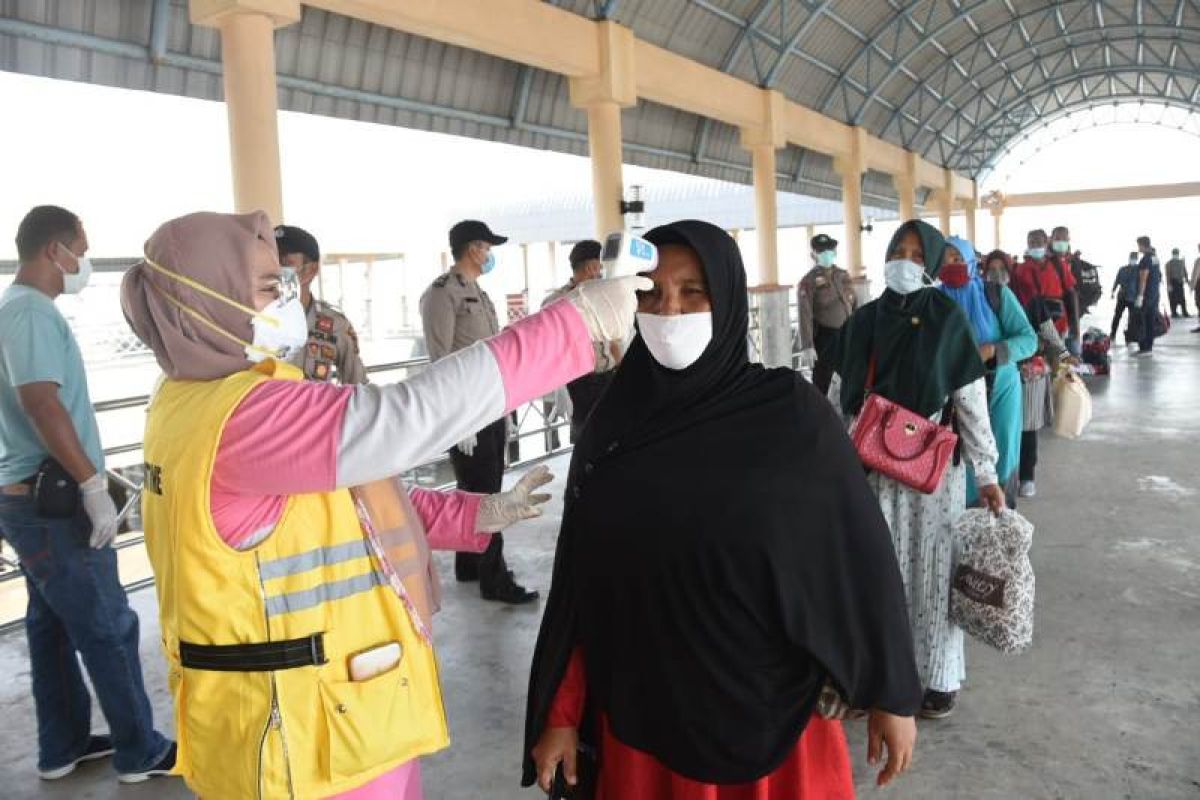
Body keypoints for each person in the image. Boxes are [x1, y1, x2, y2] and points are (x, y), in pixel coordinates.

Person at [120, 210, 648, 800]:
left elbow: (353, 506)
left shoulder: (204, 400)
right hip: (299, 741)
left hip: (345, 719)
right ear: (202, 303)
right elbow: (404, 419)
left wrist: (477, 514)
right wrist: (576, 326)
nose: (289, 299)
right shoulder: (241, 418)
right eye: (270, 287)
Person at [525, 220, 920, 799]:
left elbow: (858, 561)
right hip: (643, 724)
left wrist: (891, 693)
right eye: (651, 292)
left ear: (729, 298)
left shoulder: (791, 417)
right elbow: (584, 589)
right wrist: (561, 714)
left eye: (693, 292)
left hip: (775, 727)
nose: (670, 310)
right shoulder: (613, 427)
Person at [0, 206, 175, 784]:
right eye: (81, 247)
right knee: (108, 624)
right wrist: (92, 484)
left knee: (50, 626)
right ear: (55, 250)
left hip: (28, 496)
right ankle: (139, 749)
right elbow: (42, 403)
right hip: (50, 501)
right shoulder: (28, 313)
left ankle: (63, 745)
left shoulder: (17, 311)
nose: (84, 261)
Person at [829, 219, 1005, 720]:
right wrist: (826, 466)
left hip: (932, 474)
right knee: (873, 575)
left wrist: (987, 474)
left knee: (933, 574)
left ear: (929, 263)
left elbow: (970, 402)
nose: (905, 262)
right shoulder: (864, 321)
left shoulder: (948, 321)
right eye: (897, 251)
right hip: (871, 471)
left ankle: (938, 680)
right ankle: (873, 678)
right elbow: (837, 399)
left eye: (915, 253)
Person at [420, 219, 535, 603]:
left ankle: (469, 565)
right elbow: (441, 359)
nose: (489, 255)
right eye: (487, 248)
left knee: (475, 489)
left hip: (489, 403)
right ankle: (495, 579)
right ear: (473, 249)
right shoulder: (442, 293)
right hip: (468, 410)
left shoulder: (478, 293)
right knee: (487, 495)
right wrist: (460, 417)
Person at [944, 242, 1037, 508]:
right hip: (955, 390)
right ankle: (965, 515)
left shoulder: (995, 294)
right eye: (946, 259)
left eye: (957, 257)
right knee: (958, 455)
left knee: (1002, 452)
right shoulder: (935, 300)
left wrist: (994, 349)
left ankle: (1001, 515)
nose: (952, 264)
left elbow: (1029, 339)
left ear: (972, 262)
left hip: (1000, 388)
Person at [542, 239, 623, 440]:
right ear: (591, 267)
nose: (602, 271)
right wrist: (559, 387)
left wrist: (621, 371)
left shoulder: (602, 297)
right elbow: (551, 351)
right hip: (581, 384)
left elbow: (613, 341)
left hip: (609, 378)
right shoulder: (556, 303)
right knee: (587, 442)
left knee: (614, 439)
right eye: (600, 266)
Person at [275, 224, 368, 383]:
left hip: (316, 407)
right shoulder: (256, 320)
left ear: (310, 270)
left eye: (284, 262)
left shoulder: (335, 324)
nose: (275, 269)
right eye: (270, 261)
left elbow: (357, 384)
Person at [796, 232, 857, 394]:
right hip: (825, 337)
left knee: (850, 379)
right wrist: (807, 345)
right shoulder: (808, 281)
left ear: (835, 252)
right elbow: (805, 314)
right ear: (814, 255)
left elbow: (854, 304)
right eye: (821, 251)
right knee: (824, 382)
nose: (826, 254)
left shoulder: (843, 275)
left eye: (829, 250)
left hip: (848, 334)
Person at [1013, 227, 1080, 355]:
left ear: (1046, 243)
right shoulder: (1020, 270)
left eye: (1038, 242)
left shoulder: (1058, 265)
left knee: (1058, 359)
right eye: (1031, 243)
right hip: (1033, 325)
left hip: (1059, 324)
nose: (1035, 246)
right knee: (1037, 364)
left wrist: (1075, 326)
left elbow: (1071, 293)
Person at [1133, 235, 1163, 357]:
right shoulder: (1155, 257)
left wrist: (1140, 296)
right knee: (1150, 320)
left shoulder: (1145, 259)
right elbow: (1159, 276)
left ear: (1142, 245)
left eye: (1138, 245)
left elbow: (1143, 278)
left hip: (1146, 295)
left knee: (1143, 321)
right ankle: (1149, 347)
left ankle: (1144, 347)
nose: (1138, 248)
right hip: (1154, 293)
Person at [1111, 253, 1139, 341]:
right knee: (1117, 316)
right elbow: (1117, 281)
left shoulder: (1139, 270)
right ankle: (1113, 333)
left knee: (1132, 318)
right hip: (1122, 296)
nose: (1133, 260)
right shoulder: (1122, 269)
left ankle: (1130, 336)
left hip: (1133, 297)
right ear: (1129, 258)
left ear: (1137, 259)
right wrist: (1113, 291)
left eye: (1134, 258)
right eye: (1132, 258)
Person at [1165, 247, 1191, 318]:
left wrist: (1187, 281)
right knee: (1173, 299)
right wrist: (1168, 284)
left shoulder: (1181, 262)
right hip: (1173, 282)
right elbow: (1168, 274)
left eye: (1176, 253)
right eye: (1175, 253)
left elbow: (1185, 272)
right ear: (1172, 253)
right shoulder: (1169, 263)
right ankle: (1174, 313)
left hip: (1180, 282)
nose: (1176, 254)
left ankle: (1184, 312)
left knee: (1182, 298)